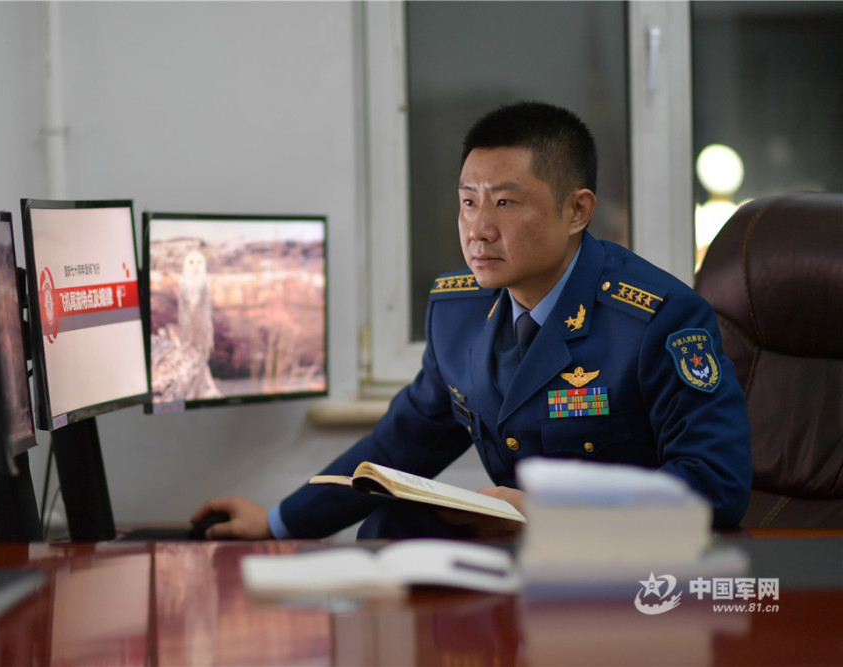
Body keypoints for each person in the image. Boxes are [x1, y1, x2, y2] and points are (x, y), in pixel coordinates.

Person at [192, 101, 752, 539]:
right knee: (391, 527)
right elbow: (400, 446)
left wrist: (551, 510)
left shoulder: (654, 318)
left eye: (505, 204)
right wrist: (278, 523)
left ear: (577, 210)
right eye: (467, 202)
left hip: (624, 563)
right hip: (522, 553)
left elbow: (716, 486)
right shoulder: (457, 313)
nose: (478, 229)